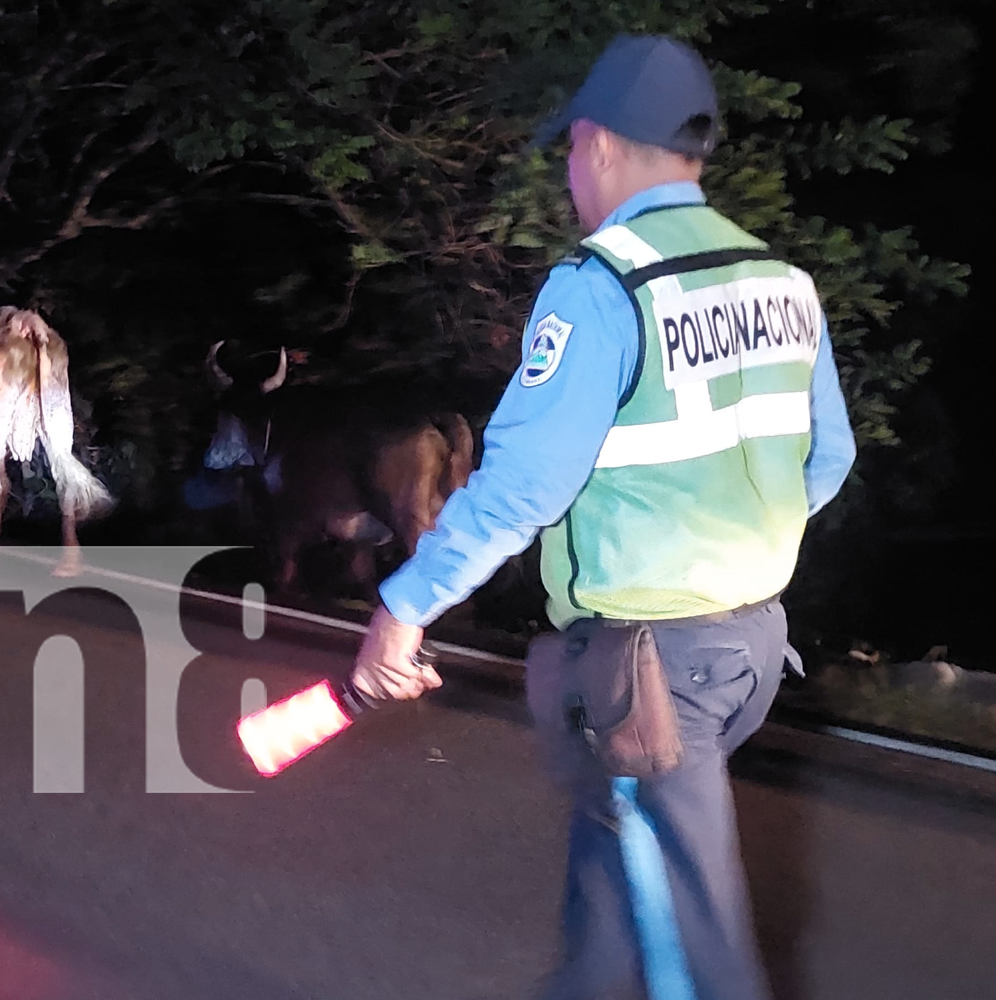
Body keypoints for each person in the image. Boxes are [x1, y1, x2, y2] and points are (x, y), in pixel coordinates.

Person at [347, 33, 858, 1000]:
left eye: (574, 152)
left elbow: (525, 486)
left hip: (648, 668)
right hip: (749, 647)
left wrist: (406, 604)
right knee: (620, 876)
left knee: (689, 949)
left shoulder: (605, 284)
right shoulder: (782, 286)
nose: (573, 173)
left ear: (603, 146)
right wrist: (739, 541)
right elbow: (827, 456)